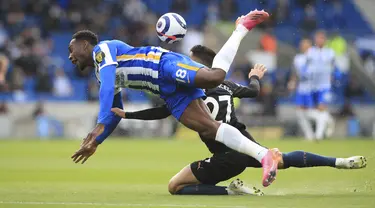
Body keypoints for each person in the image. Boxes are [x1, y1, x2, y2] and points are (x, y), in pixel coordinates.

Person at [112, 45, 367, 196]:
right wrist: (255, 76)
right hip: (246, 142)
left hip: (225, 155)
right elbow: (254, 91)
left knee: (174, 186)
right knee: (279, 157)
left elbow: (163, 111)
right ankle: (339, 162)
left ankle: (229, 190)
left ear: (195, 63)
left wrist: (129, 115)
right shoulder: (225, 83)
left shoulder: (186, 89)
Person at [69, 10, 281, 187]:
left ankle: (241, 28)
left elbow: (107, 88)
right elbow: (114, 114)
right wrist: (97, 140)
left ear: (85, 45)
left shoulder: (102, 49)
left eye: (72, 49)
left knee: (215, 78)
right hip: (167, 91)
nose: (70, 55)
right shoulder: (100, 74)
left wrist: (98, 126)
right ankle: (264, 156)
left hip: (163, 65)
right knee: (209, 128)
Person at [305, 30, 335, 140]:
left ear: (325, 40)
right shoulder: (310, 52)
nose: (320, 40)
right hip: (312, 86)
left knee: (321, 107)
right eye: (318, 38)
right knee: (312, 111)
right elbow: (306, 67)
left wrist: (332, 76)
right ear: (315, 39)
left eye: (322, 38)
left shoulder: (330, 52)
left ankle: (318, 135)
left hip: (324, 85)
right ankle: (329, 121)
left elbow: (333, 67)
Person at [288, 38, 315, 140]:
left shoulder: (315, 56)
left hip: (312, 89)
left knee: (310, 112)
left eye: (305, 43)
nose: (302, 45)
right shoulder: (298, 58)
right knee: (300, 113)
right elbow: (294, 73)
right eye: (302, 44)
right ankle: (309, 135)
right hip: (302, 89)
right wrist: (292, 82)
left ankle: (326, 120)